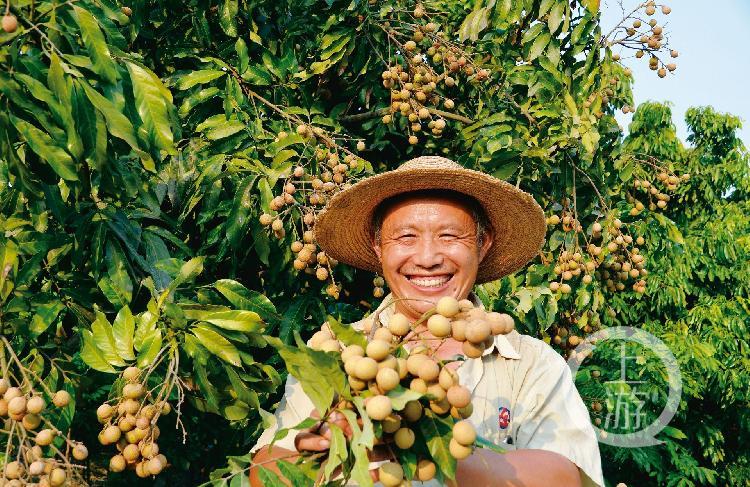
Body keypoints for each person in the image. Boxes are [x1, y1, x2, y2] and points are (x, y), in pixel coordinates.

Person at [250, 156, 604, 486]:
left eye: (450, 236)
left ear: (482, 244)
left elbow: (565, 474)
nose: (428, 258)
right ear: (378, 246)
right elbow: (263, 469)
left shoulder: (531, 363)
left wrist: (429, 447)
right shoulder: (335, 350)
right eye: (406, 237)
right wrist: (316, 443)